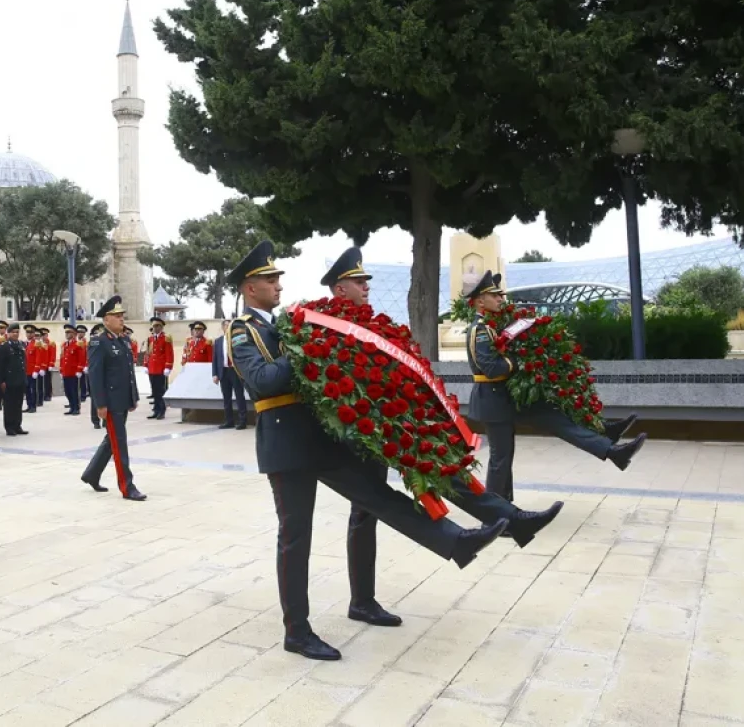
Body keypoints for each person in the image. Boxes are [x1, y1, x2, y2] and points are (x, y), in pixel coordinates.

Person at [228, 241, 509, 661]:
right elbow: (265, 380)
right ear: (251, 289)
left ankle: (457, 542)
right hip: (286, 442)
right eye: (270, 280)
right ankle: (297, 631)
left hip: (322, 437)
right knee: (295, 537)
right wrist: (308, 345)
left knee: (379, 498)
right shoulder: (242, 331)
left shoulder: (286, 324)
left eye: (277, 278)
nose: (278, 285)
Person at [322, 248, 565, 625]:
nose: (366, 287)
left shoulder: (368, 322)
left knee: (440, 472)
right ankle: (363, 600)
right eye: (359, 282)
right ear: (340, 290)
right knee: (366, 512)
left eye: (366, 281)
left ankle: (514, 520)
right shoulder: (329, 325)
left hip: (390, 421)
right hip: (364, 430)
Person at [466, 270, 646, 501]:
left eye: (500, 295)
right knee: (501, 459)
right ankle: (496, 514)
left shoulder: (492, 325)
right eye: (495, 295)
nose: (501, 299)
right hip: (492, 400)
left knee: (554, 416)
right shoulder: (480, 330)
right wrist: (522, 360)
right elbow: (492, 368)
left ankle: (608, 444)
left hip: (506, 396)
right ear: (480, 301)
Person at [81, 296, 145, 500]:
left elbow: (129, 372)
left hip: (122, 399)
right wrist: (100, 404)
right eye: (116, 316)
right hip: (110, 402)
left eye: (122, 316)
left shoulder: (124, 340)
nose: (121, 319)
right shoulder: (99, 342)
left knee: (112, 440)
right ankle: (127, 487)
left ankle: (92, 474)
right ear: (105, 319)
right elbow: (95, 375)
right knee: (119, 442)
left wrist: (133, 397)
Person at [212, 319, 248, 430]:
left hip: (235, 371)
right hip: (224, 371)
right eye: (226, 326)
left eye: (230, 326)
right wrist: (215, 374)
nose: (228, 328)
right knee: (226, 398)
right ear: (223, 328)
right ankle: (229, 421)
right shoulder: (218, 341)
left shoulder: (238, 339)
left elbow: (243, 355)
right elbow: (215, 359)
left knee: (239, 396)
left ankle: (242, 421)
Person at [0, 324, 29, 436]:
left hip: (19, 379)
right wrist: (2, 381)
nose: (15, 334)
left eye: (17, 332)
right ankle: (9, 427)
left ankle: (17, 425)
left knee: (18, 404)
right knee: (9, 405)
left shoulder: (21, 345)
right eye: (13, 332)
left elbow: (23, 363)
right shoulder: (4, 347)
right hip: (9, 381)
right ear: (8, 333)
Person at [144, 317, 174, 419]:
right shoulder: (150, 339)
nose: (155, 328)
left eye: (157, 326)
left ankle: (162, 410)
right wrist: (146, 365)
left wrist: (168, 366)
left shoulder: (166, 338)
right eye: (153, 326)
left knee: (161, 391)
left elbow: (169, 354)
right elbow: (148, 353)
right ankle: (156, 410)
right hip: (152, 368)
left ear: (161, 327)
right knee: (154, 391)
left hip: (161, 368)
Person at [60, 324, 85, 416]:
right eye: (66, 332)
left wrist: (79, 369)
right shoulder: (64, 345)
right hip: (66, 372)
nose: (66, 334)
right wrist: (61, 370)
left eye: (68, 332)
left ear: (74, 334)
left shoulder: (78, 344)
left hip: (74, 372)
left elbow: (81, 358)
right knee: (67, 391)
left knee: (74, 390)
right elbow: (62, 358)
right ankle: (71, 406)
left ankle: (76, 408)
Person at [87, 323, 105, 430]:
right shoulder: (94, 341)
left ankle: (105, 420)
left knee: (106, 398)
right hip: (96, 373)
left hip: (107, 374)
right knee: (95, 398)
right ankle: (96, 420)